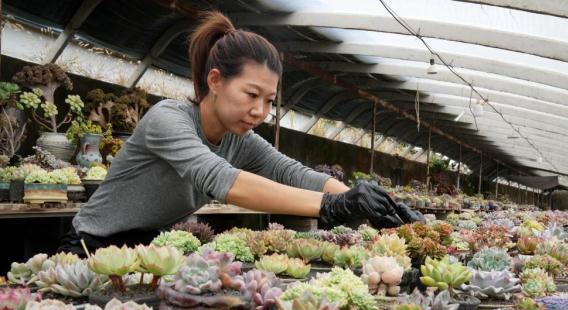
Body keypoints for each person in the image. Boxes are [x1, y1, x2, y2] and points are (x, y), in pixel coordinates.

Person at [58, 11, 422, 256]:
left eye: (268, 100)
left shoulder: (239, 138)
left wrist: (374, 202)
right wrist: (332, 207)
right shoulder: (168, 119)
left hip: (153, 248)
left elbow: (294, 173)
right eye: (251, 95)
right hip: (93, 245)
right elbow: (221, 179)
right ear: (215, 80)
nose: (260, 112)